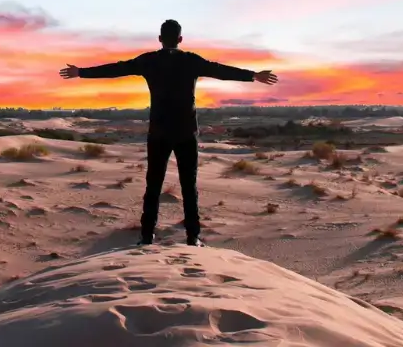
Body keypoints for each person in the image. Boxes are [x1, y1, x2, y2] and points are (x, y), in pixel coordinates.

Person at [59, 19, 278, 246]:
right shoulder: (191, 61)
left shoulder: (149, 61)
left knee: (153, 185)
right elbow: (220, 70)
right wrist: (253, 75)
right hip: (186, 132)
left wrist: (81, 72)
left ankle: (146, 236)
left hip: (159, 132)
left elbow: (117, 68)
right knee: (188, 186)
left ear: (160, 39)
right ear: (180, 39)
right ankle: (193, 237)